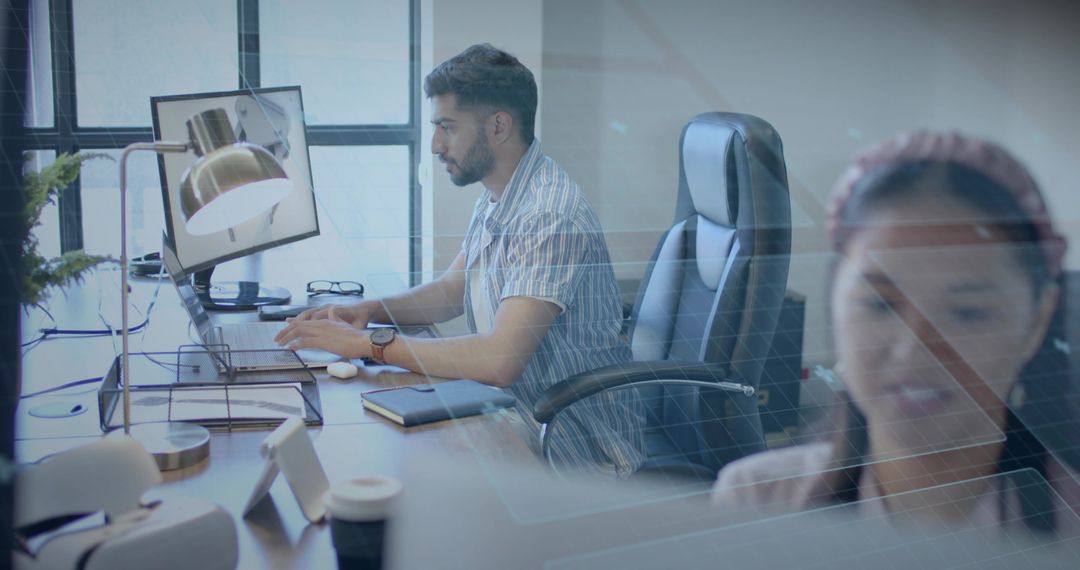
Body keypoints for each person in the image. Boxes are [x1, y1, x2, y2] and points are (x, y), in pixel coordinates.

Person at [275, 43, 644, 477]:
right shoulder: (500, 194)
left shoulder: (550, 214)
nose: (434, 144)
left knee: (394, 469)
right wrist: (369, 311)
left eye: (447, 127)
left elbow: (499, 361)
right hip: (513, 412)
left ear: (498, 126)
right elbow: (453, 290)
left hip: (572, 445)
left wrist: (368, 345)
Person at [712, 131, 1079, 535]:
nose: (912, 351)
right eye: (881, 304)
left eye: (967, 312)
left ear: (1037, 321)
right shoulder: (754, 502)